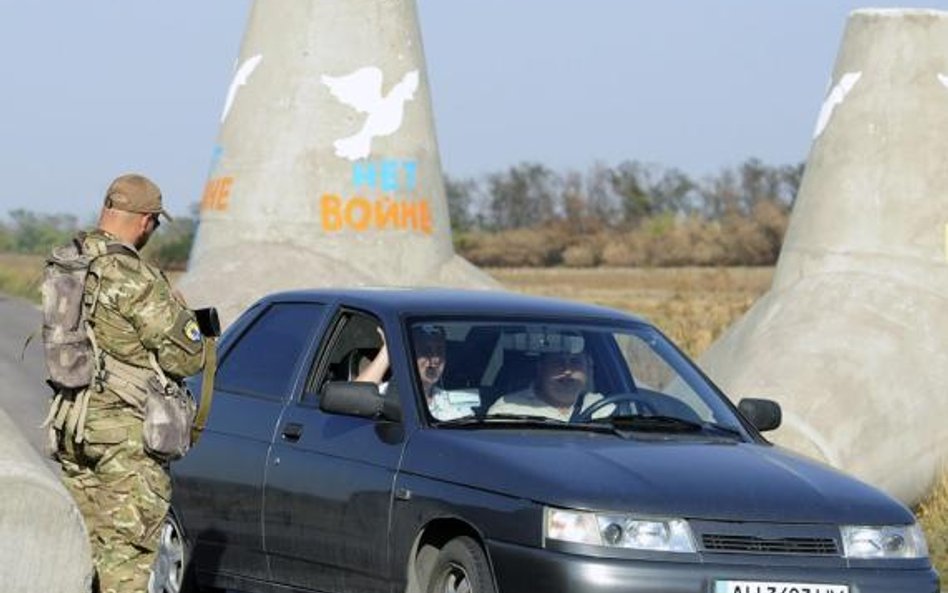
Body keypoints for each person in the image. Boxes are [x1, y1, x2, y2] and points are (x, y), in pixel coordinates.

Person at [46, 174, 207, 593]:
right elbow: (185, 356)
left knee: (84, 551)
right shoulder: (134, 276)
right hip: (126, 439)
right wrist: (192, 324)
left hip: (74, 425)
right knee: (127, 560)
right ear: (146, 221)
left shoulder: (68, 260)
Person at [356, 324, 477, 421]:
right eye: (426, 350)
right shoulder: (384, 395)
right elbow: (356, 400)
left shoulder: (454, 405)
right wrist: (389, 349)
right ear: (409, 353)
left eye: (439, 350)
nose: (435, 359)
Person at [488, 345, 611, 421]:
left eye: (575, 361)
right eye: (558, 362)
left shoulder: (606, 408)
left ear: (588, 370)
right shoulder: (508, 411)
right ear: (541, 369)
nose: (567, 370)